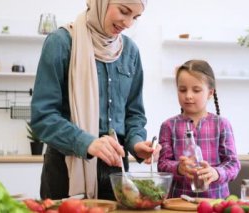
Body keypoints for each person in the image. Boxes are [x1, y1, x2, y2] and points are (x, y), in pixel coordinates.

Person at [30, 0, 159, 201]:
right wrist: (88, 143)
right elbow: (43, 117)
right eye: (124, 11)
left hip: (117, 171)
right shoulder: (61, 42)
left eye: (135, 17)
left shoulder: (130, 51)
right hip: (65, 169)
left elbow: (134, 114)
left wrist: (136, 144)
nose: (128, 23)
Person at [157, 59, 240, 198]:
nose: (188, 95)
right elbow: (162, 165)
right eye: (182, 90)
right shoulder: (168, 126)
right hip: (178, 203)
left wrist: (216, 173)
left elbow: (233, 164)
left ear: (210, 93)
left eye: (196, 90)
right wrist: (178, 168)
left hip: (216, 203)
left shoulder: (222, 124)